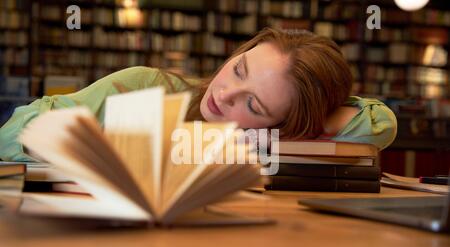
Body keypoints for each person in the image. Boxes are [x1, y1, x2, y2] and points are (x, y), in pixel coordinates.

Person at [0, 27, 397, 162]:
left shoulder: (268, 140)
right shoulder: (145, 86)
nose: (224, 94)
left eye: (253, 104)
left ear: (280, 123)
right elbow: (11, 135)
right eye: (239, 69)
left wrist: (264, 140)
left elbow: (380, 124)